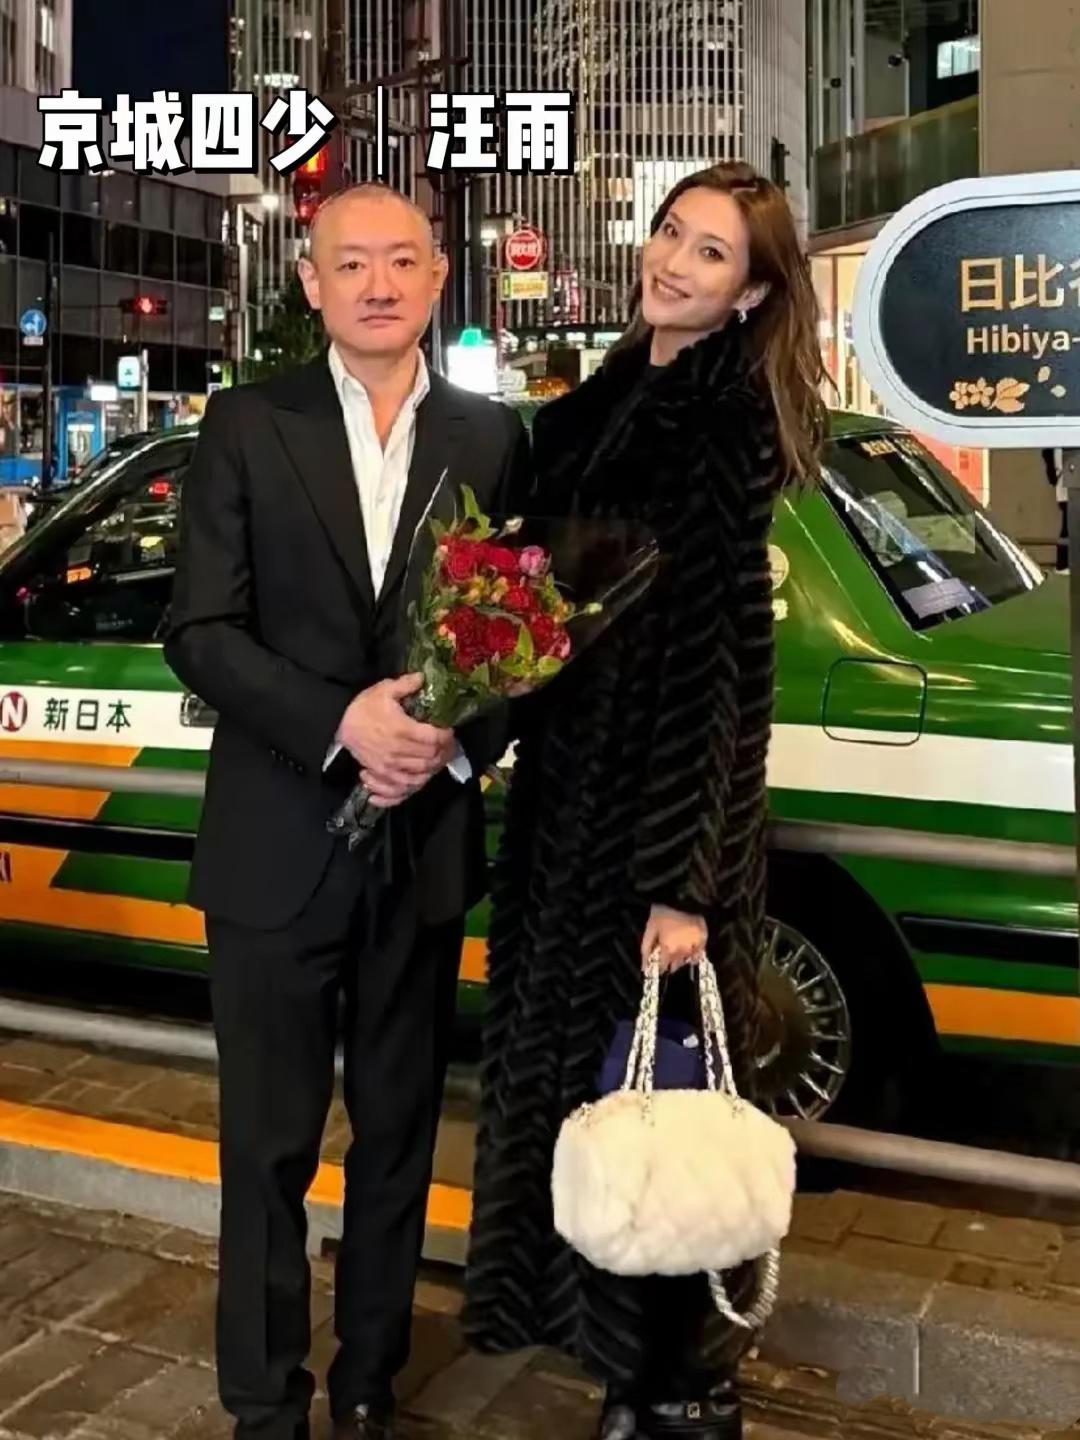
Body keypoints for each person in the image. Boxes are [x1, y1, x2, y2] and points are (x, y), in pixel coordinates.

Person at [461, 162, 827, 1440]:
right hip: (567, 816)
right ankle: (615, 1363)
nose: (673, 262)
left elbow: (729, 672)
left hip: (657, 834)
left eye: (711, 252)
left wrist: (686, 885)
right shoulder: (596, 408)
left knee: (662, 1107)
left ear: (753, 293)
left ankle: (682, 1385)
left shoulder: (724, 424)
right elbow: (533, 614)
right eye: (671, 233)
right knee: (587, 1100)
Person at [165, 183, 529, 1440]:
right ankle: (264, 1403)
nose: (378, 283)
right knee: (264, 1150)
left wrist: (452, 742)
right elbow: (199, 628)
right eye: (351, 262)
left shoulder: (492, 438)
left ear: (438, 278)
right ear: (311, 283)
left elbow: (524, 632)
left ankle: (370, 1380)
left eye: (402, 260)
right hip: (273, 848)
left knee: (399, 1136)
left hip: (419, 849)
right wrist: (343, 723)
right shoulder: (246, 423)